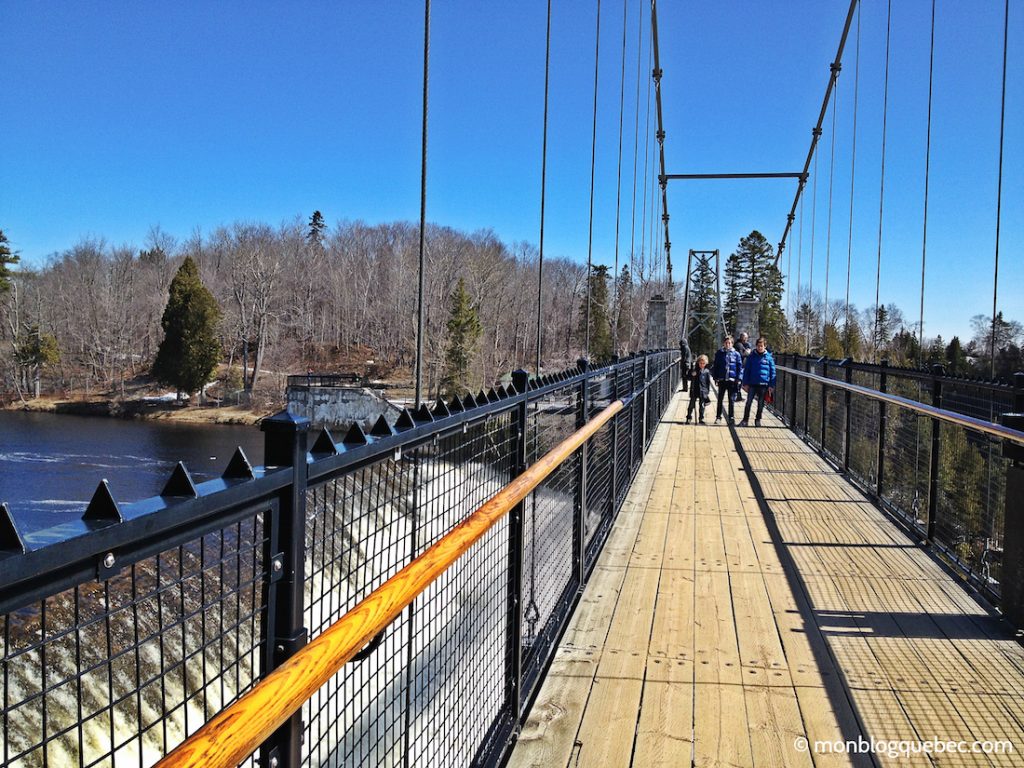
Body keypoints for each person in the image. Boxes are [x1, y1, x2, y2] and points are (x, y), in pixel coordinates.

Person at [739, 337, 776, 427]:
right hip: (752, 383)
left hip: (764, 384)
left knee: (760, 404)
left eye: (761, 346)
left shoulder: (769, 358)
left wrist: (771, 385)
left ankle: (758, 420)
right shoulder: (751, 357)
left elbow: (773, 372)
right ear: (756, 346)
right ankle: (745, 420)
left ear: (764, 346)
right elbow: (747, 370)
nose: (760, 348)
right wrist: (745, 383)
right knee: (748, 402)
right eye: (758, 346)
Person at [711, 336, 742, 423]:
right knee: (720, 399)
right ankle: (718, 417)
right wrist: (715, 377)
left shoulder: (736, 354)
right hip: (722, 379)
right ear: (724, 343)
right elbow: (716, 366)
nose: (728, 344)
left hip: (732, 380)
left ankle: (731, 417)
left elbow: (739, 367)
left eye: (729, 343)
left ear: (732, 344)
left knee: (731, 400)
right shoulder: (719, 353)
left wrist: (738, 378)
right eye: (726, 343)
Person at [686, 354, 712, 424]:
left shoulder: (706, 371)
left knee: (702, 405)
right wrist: (692, 374)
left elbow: (708, 382)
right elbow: (688, 377)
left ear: (706, 363)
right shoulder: (694, 370)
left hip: (703, 390)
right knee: (691, 404)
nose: (702, 365)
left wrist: (707, 391)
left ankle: (701, 418)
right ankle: (689, 417)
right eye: (701, 363)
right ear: (698, 363)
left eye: (703, 363)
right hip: (694, 390)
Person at [733, 332, 751, 402]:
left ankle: (738, 396)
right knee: (738, 381)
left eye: (747, 338)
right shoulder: (738, 345)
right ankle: (736, 396)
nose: (746, 339)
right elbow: (740, 355)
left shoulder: (744, 344)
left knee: (740, 381)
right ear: (741, 338)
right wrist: (747, 353)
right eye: (745, 338)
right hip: (739, 366)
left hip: (743, 366)